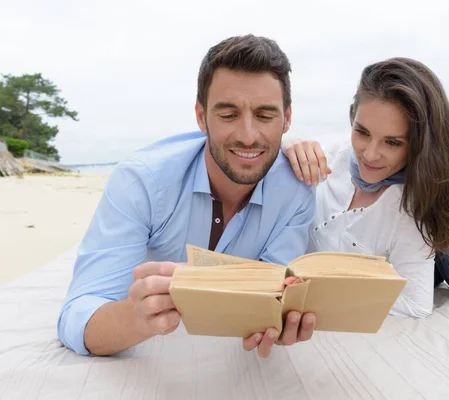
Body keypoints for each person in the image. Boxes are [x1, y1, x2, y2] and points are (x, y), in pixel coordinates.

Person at [57, 34, 317, 359]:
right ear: (200, 115)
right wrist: (139, 318)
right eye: (228, 114)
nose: (248, 136)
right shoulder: (142, 181)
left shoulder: (297, 189)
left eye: (265, 116)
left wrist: (273, 318)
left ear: (287, 119)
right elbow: (78, 317)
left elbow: (273, 293)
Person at [282, 57, 449, 318]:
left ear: (419, 145)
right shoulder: (335, 155)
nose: (370, 155)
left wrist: (322, 294)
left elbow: (415, 305)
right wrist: (287, 143)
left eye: (392, 143)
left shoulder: (411, 213)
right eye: (362, 132)